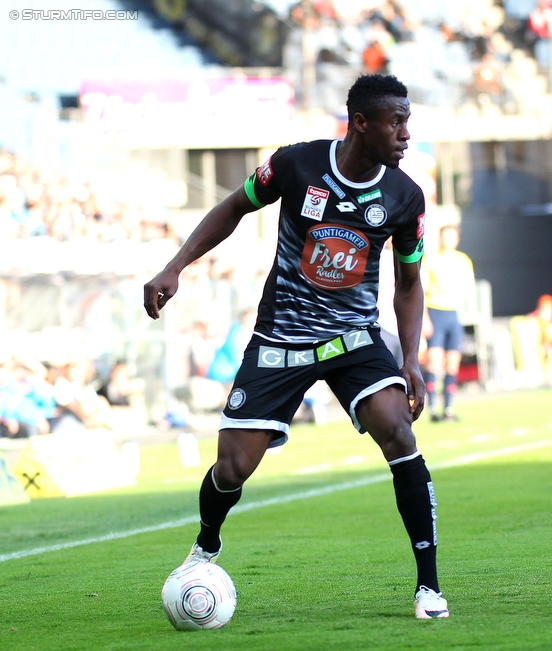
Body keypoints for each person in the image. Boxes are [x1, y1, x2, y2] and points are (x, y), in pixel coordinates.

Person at [143, 74, 449, 620]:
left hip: (354, 337)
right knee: (233, 468)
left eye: (408, 119)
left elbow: (408, 282)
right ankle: (206, 545)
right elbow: (233, 208)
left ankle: (429, 586)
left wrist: (410, 361)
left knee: (398, 432)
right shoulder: (297, 165)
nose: (406, 132)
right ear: (361, 122)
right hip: (282, 334)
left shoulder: (405, 197)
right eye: (396, 121)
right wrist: (175, 267)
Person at [421, 224, 475, 422]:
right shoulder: (431, 258)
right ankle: (433, 408)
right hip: (436, 312)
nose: (448, 240)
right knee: (434, 362)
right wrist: (425, 318)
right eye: (445, 236)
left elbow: (468, 288)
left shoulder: (463, 261)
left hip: (454, 314)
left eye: (452, 236)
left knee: (453, 363)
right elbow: (422, 290)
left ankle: (449, 408)